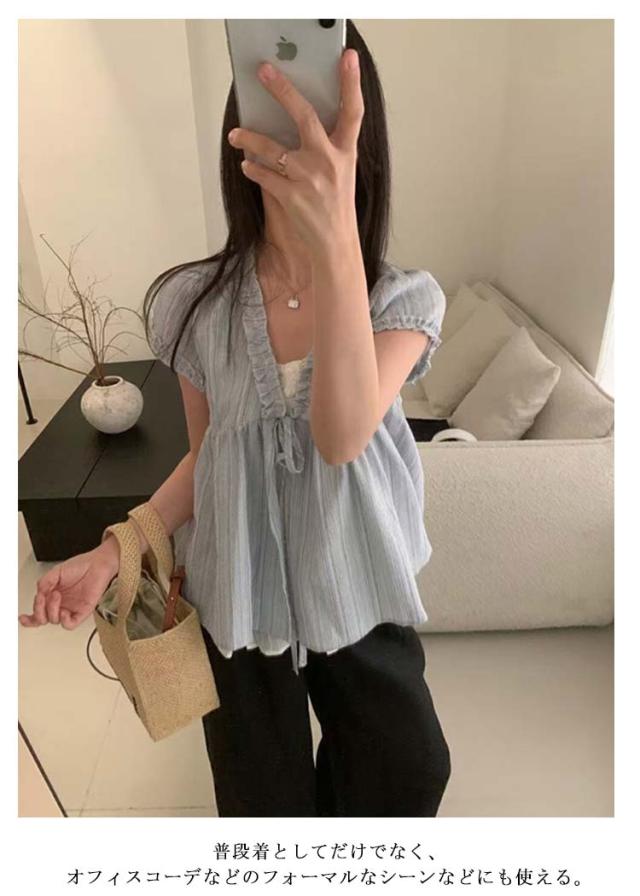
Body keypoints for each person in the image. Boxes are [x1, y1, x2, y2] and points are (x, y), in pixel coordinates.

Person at [20, 20, 451, 817]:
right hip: (238, 596)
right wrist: (116, 550)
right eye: (276, 111)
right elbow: (209, 455)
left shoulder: (400, 301)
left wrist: (334, 240)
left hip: (354, 584)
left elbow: (341, 437)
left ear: (361, 143)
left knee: (408, 770)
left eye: (324, 119)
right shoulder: (193, 304)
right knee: (263, 802)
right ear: (238, 131)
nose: (300, 139)